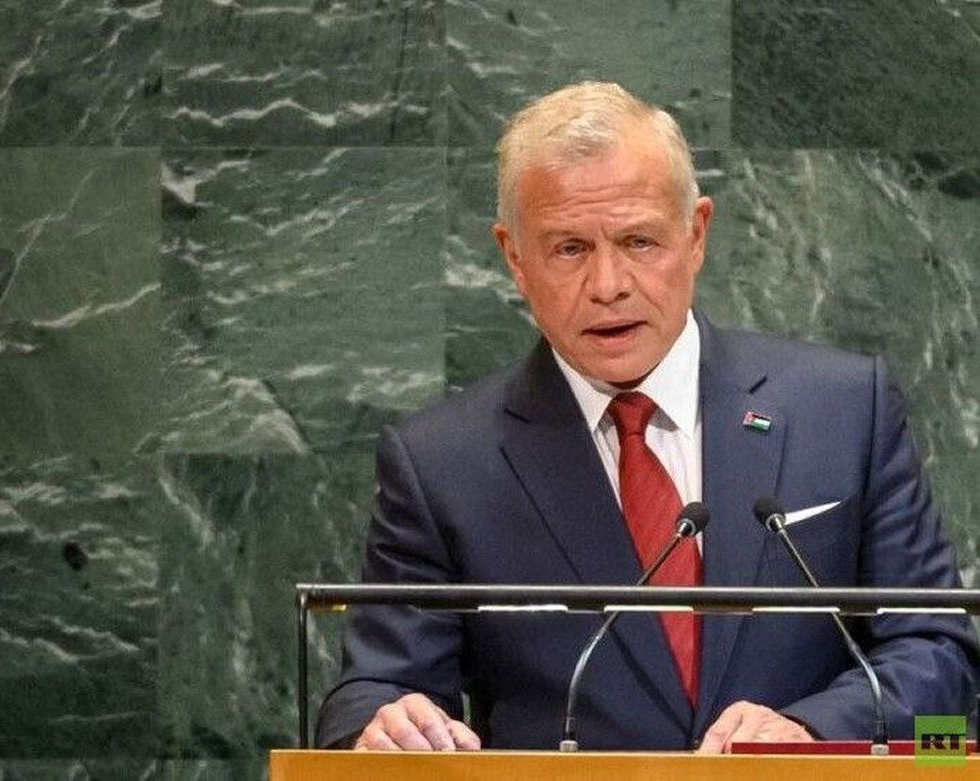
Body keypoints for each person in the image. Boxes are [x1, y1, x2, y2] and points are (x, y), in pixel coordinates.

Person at [316, 82, 979, 753]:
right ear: (514, 257)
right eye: (569, 248)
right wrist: (386, 724)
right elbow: (374, 692)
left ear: (696, 234)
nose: (608, 285)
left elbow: (941, 658)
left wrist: (809, 733)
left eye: (639, 241)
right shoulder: (442, 464)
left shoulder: (844, 410)